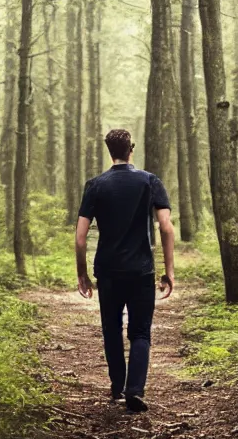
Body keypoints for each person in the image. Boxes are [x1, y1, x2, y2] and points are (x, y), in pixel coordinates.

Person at [74, 129, 175, 413]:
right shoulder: (149, 181)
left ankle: (117, 388)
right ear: (131, 149)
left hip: (107, 272)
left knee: (111, 329)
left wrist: (81, 273)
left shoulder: (95, 185)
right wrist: (169, 271)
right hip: (141, 270)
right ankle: (135, 390)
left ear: (110, 151)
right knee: (141, 332)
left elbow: (80, 237)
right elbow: (166, 227)